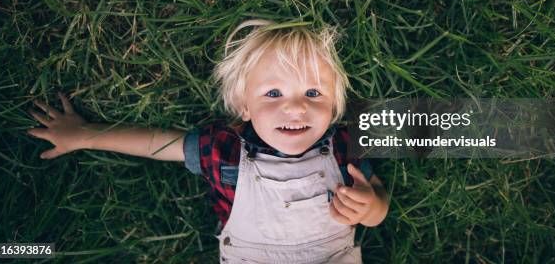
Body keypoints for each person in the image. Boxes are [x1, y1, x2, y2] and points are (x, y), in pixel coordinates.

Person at [27, 19, 390, 263]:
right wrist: (84, 135)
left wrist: (372, 208)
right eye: (273, 93)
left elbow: (378, 199)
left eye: (313, 92)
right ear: (244, 107)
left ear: (335, 105)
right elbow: (158, 143)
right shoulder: (224, 150)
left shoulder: (345, 145)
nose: (295, 108)